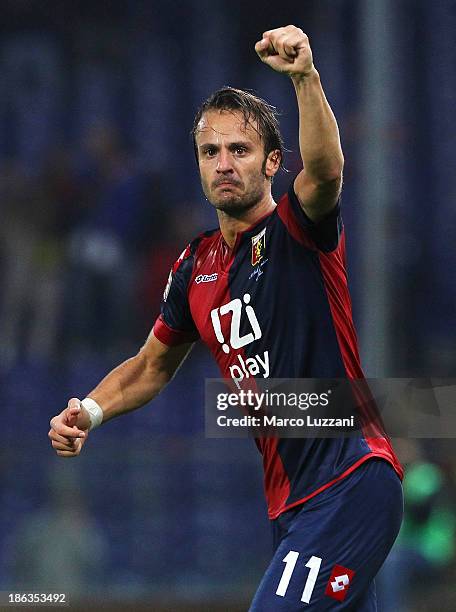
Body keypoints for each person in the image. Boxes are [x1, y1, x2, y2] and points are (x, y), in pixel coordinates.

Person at [49, 25, 404, 610]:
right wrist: (88, 411)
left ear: (271, 162)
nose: (224, 164)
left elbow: (328, 171)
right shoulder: (194, 266)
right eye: (210, 152)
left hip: (349, 480)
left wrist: (304, 78)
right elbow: (150, 366)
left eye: (240, 150)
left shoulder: (297, 229)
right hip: (291, 506)